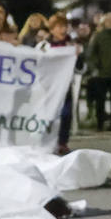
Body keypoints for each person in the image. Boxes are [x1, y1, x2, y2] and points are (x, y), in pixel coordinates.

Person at [36, 13, 80, 155]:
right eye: (59, 27)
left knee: (66, 114)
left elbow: (81, 68)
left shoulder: (72, 46)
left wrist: (78, 56)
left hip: (64, 86)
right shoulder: (44, 45)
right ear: (52, 29)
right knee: (47, 113)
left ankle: (62, 142)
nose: (63, 30)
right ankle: (44, 140)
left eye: (65, 26)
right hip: (47, 87)